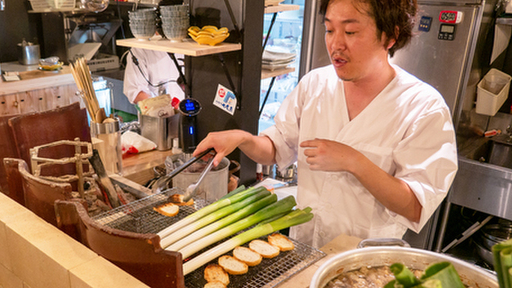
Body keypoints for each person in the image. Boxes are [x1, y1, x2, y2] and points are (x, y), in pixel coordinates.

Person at [193, 0, 458, 248]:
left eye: (351, 32)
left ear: (391, 36)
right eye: (330, 29)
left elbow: (415, 205)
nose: (335, 44)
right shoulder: (315, 84)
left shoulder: (423, 108)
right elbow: (277, 148)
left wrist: (354, 161)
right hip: (303, 247)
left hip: (362, 261)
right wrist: (243, 138)